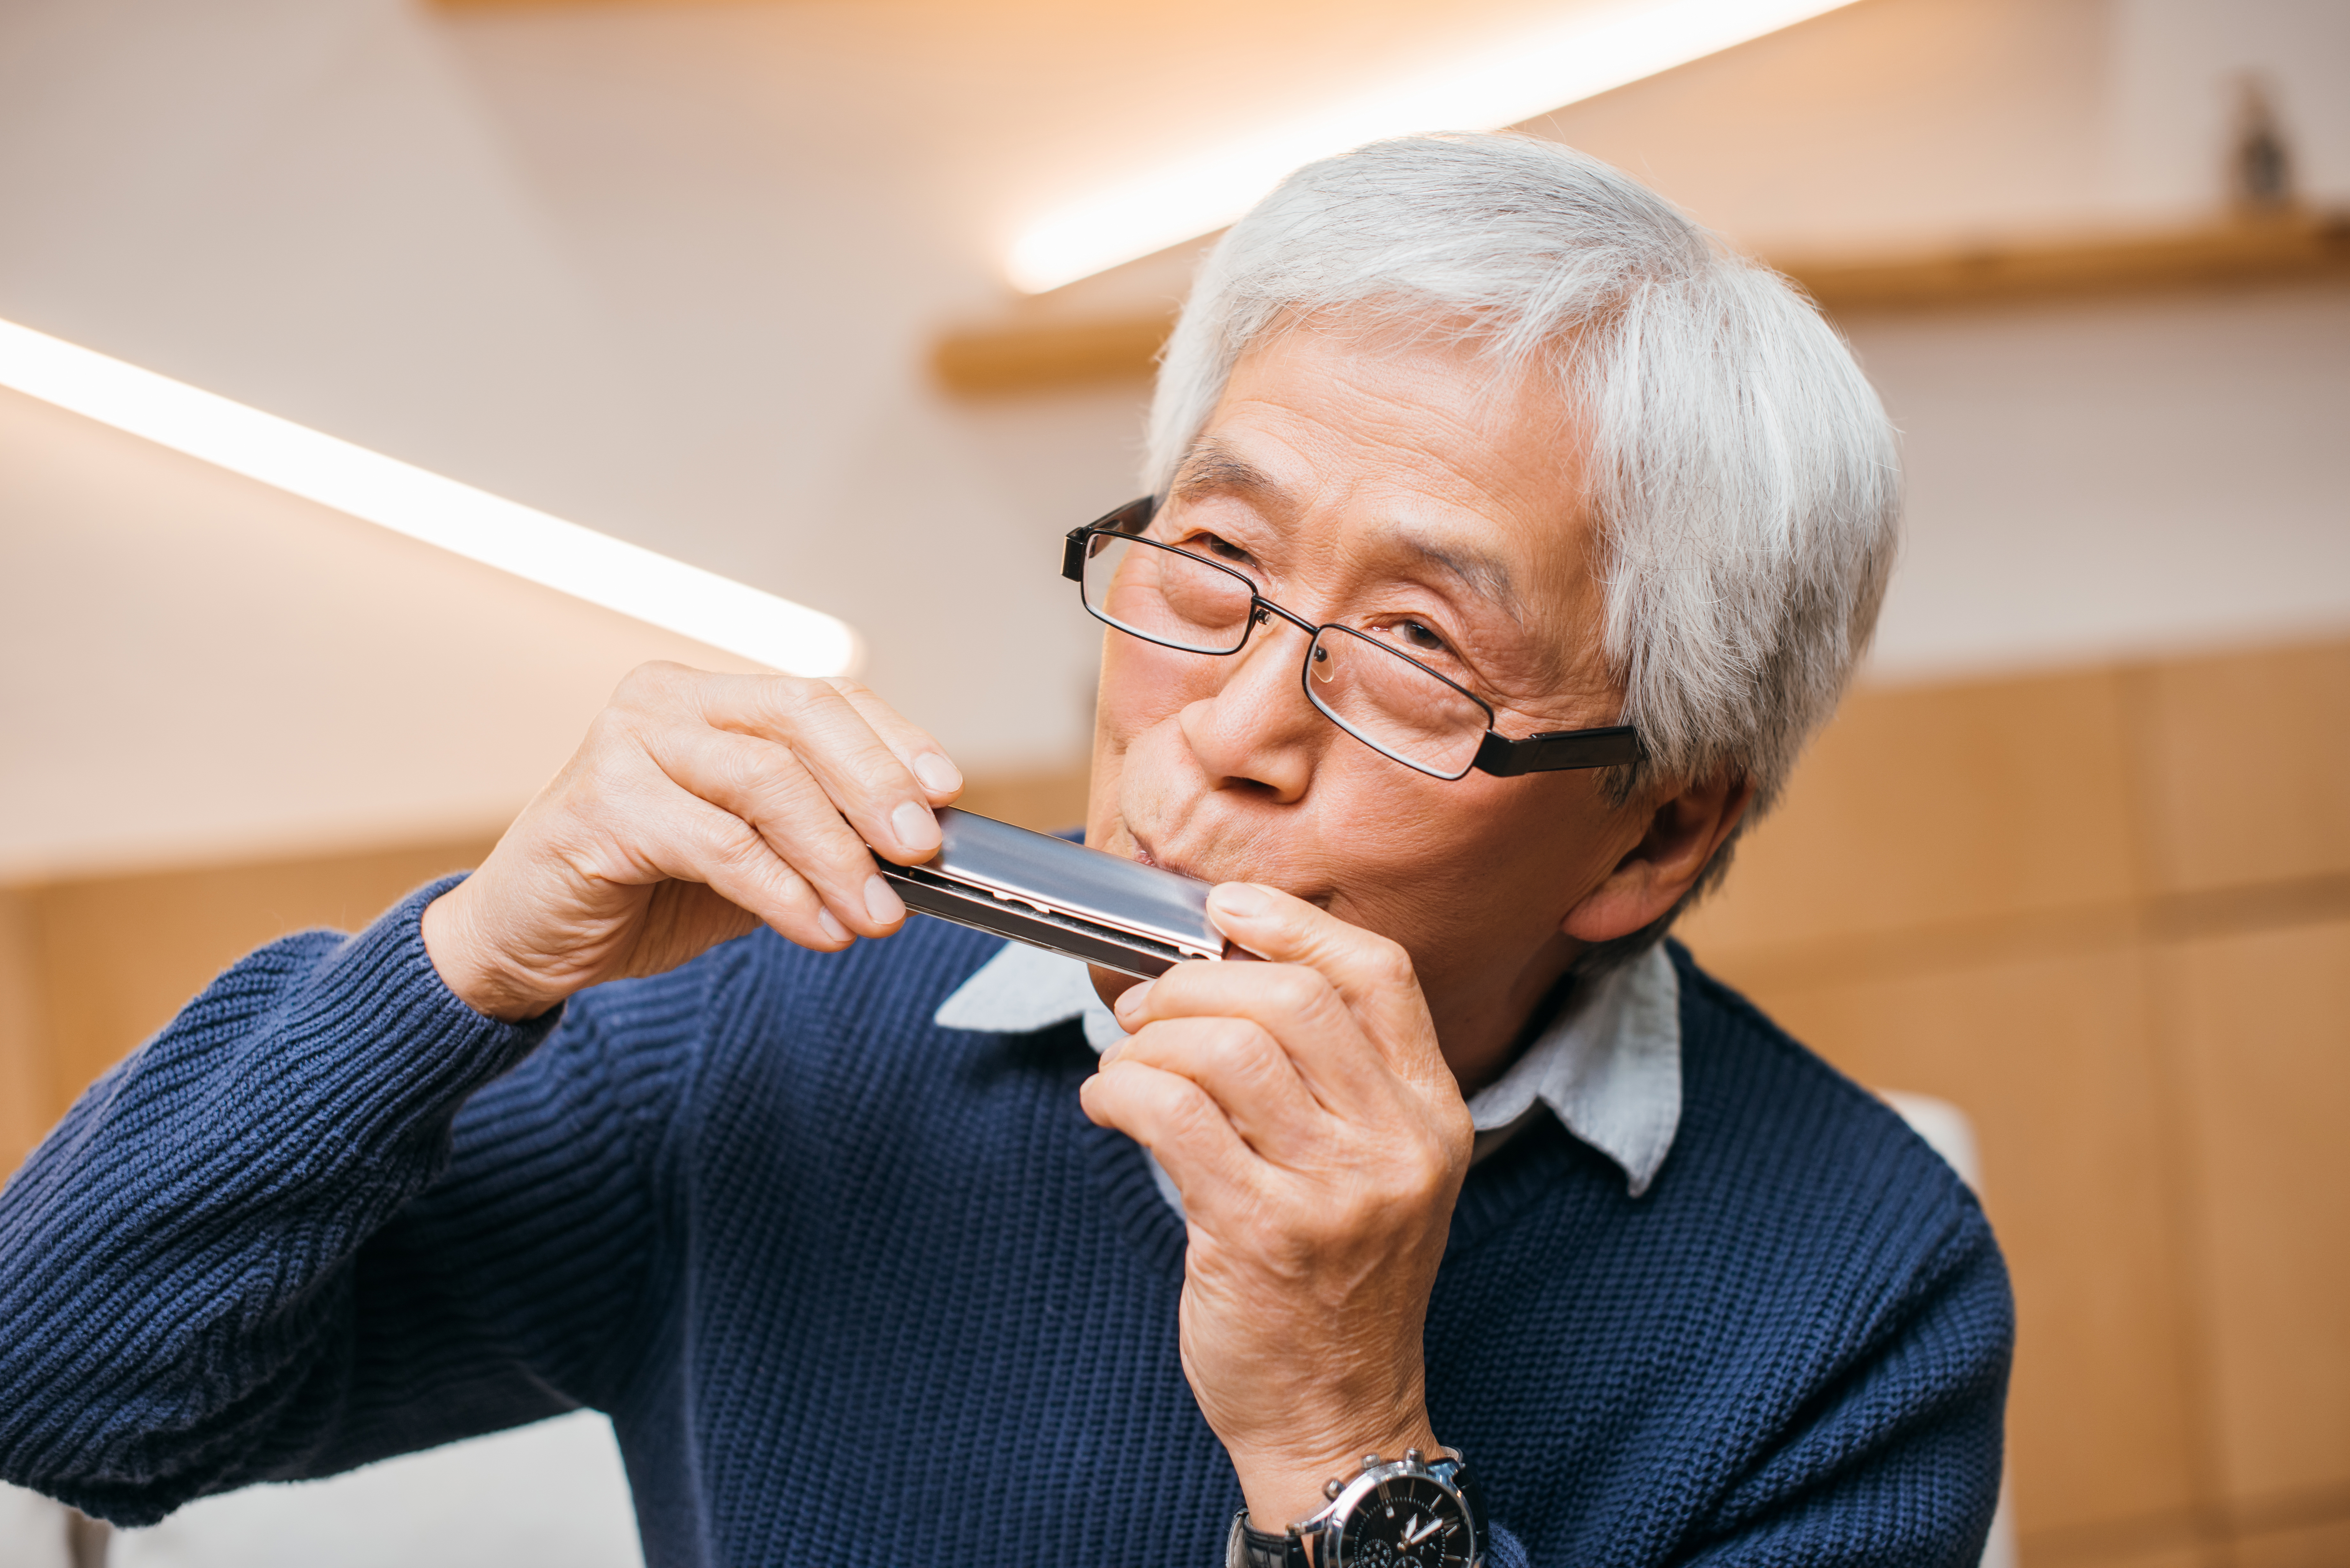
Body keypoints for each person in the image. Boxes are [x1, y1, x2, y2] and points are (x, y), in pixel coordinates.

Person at [0, 133, 2009, 1567]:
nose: (1222, 733)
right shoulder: (765, 1015)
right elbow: (58, 1386)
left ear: (1655, 829)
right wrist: (468, 966)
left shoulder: (1861, 1291)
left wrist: (1342, 1446)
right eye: (1209, 568)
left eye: (1412, 653)